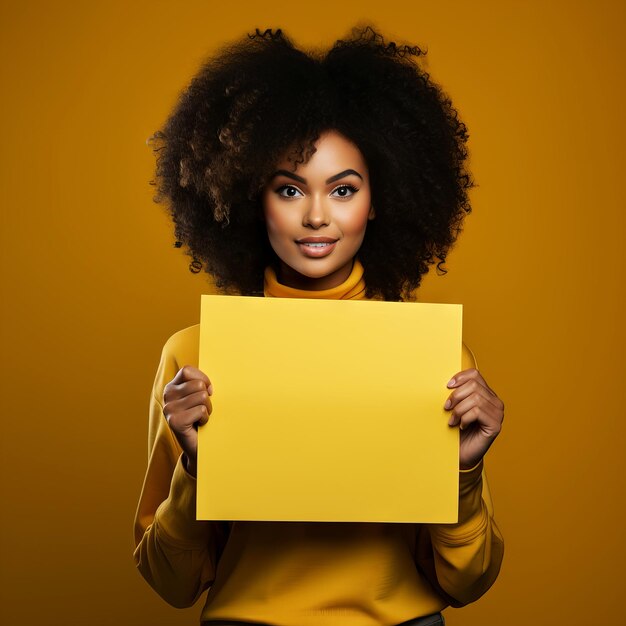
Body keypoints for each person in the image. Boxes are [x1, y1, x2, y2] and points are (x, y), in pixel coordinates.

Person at [134, 27, 505, 626]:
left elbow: (469, 582)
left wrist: (464, 471)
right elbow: (169, 582)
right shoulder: (194, 355)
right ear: (254, 198)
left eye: (342, 189)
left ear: (377, 200)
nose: (315, 216)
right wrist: (195, 467)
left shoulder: (432, 355)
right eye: (289, 189)